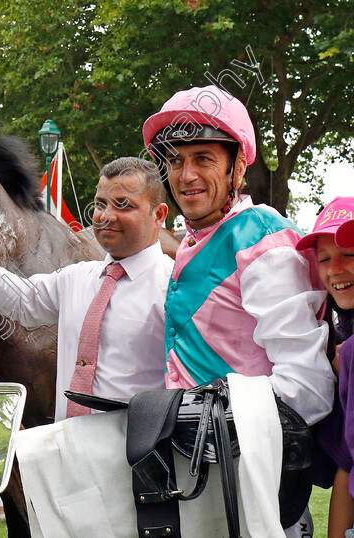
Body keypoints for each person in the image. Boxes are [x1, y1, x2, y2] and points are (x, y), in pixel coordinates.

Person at [142, 85, 334, 426]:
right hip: (194, 460)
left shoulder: (260, 238)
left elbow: (308, 390)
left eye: (203, 158)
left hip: (243, 467)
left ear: (239, 167)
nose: (186, 176)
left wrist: (208, 412)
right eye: (175, 160)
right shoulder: (195, 239)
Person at [0, 157, 173, 421]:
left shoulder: (174, 287)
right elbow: (20, 300)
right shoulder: (77, 278)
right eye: (101, 204)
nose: (106, 216)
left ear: (158, 215)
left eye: (123, 205)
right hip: (68, 451)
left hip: (139, 457)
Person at [296, 197, 354, 537]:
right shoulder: (337, 345)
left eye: (350, 255)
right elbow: (345, 465)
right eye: (325, 259)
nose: (335, 269)